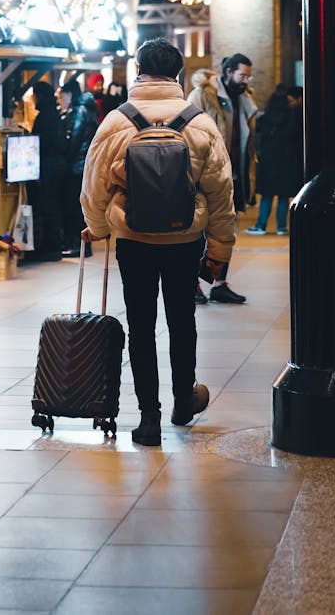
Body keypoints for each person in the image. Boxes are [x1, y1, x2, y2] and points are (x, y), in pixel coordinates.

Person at [80, 38, 236, 446]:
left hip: (134, 239)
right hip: (185, 238)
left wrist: (97, 227)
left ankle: (149, 417)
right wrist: (220, 247)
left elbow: (93, 184)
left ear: (138, 70)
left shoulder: (117, 121)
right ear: (179, 74)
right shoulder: (199, 122)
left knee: (141, 325)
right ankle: (184, 400)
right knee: (182, 320)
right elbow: (221, 191)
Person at [187, 53, 256, 304]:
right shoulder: (202, 95)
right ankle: (192, 283)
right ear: (227, 72)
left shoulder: (244, 98)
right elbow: (189, 134)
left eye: (248, 75)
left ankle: (218, 283)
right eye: (242, 75)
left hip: (234, 174)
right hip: (206, 174)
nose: (246, 80)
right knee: (199, 230)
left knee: (225, 231)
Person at [246, 86, 302, 235]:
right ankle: (281, 227)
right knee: (283, 196)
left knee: (267, 196)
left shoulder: (266, 118)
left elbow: (258, 138)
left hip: (269, 161)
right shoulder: (293, 117)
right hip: (287, 161)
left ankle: (261, 225)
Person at [27, 80, 67, 261]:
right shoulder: (54, 113)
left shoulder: (45, 116)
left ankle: (50, 247)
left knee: (48, 205)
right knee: (54, 205)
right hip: (57, 164)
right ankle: (53, 244)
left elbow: (42, 142)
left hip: (48, 165)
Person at [59, 78, 99, 257]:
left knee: (73, 207)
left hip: (76, 166)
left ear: (69, 94)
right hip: (85, 165)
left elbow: (75, 137)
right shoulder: (88, 108)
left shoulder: (79, 110)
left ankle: (76, 244)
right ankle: (83, 244)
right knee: (80, 206)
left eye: (61, 96)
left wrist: (66, 156)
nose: (60, 100)